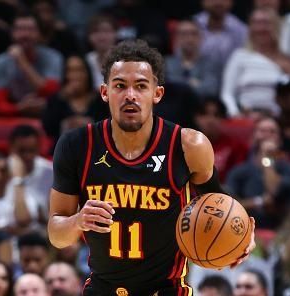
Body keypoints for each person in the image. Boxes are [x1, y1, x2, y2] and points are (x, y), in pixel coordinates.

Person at [47, 39, 255, 295]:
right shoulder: (77, 145)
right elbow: (56, 235)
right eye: (120, 86)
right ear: (104, 92)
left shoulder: (189, 145)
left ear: (157, 94)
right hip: (104, 289)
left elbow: (220, 205)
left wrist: (241, 236)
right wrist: (78, 221)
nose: (130, 95)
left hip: (166, 290)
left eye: (141, 86)